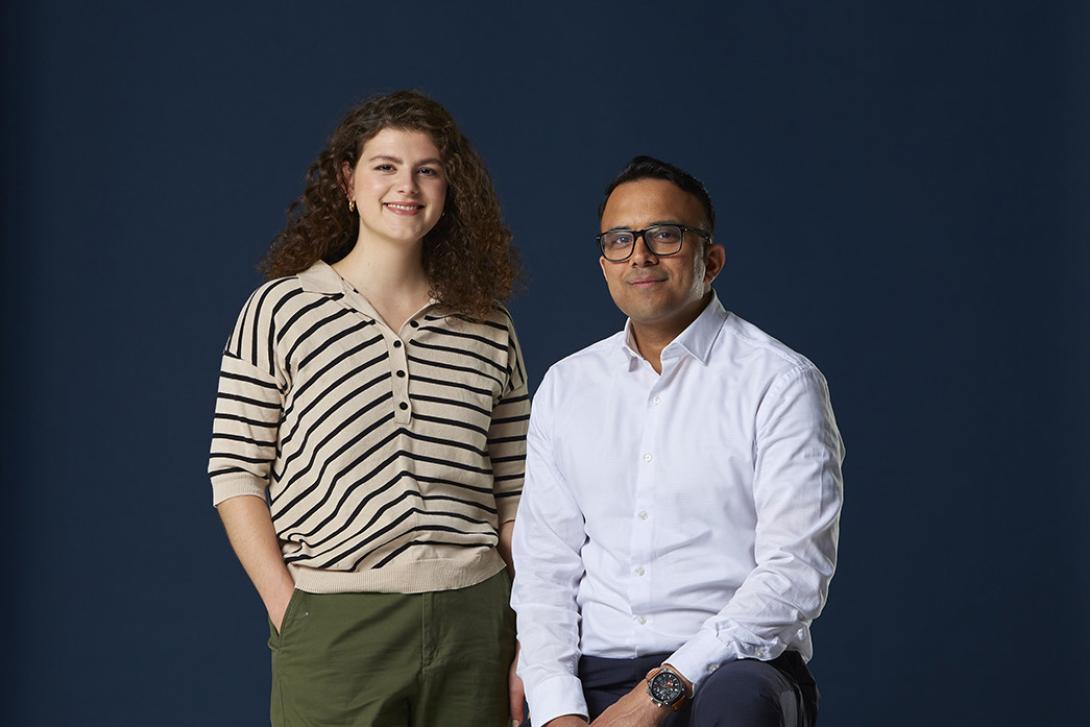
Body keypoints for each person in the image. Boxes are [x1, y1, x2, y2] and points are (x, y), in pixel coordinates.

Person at [208, 90, 528, 727]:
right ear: (346, 181)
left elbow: (517, 494)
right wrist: (287, 606)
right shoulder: (281, 310)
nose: (406, 185)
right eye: (385, 166)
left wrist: (529, 632)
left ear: (449, 187)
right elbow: (236, 474)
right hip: (334, 619)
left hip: (476, 619)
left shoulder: (490, 326)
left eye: (427, 169)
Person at [511, 156, 844, 727]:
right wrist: (557, 709)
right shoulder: (567, 387)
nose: (640, 254)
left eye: (665, 235)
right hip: (598, 671)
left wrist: (657, 693)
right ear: (604, 264)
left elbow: (794, 573)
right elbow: (546, 570)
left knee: (738, 702)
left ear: (710, 260)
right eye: (620, 239)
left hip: (734, 670)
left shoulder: (780, 381)